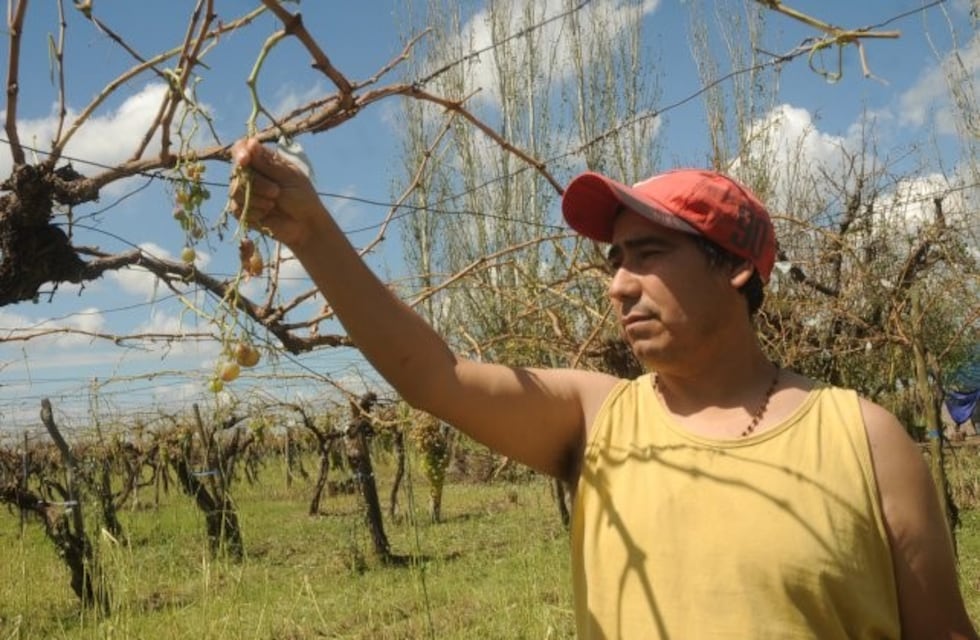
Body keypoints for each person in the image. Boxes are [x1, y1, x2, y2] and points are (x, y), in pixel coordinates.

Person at [229, 137, 977, 639]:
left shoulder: (866, 441)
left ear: (738, 267)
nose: (618, 285)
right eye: (614, 260)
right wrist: (310, 231)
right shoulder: (596, 419)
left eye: (648, 254)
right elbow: (432, 375)